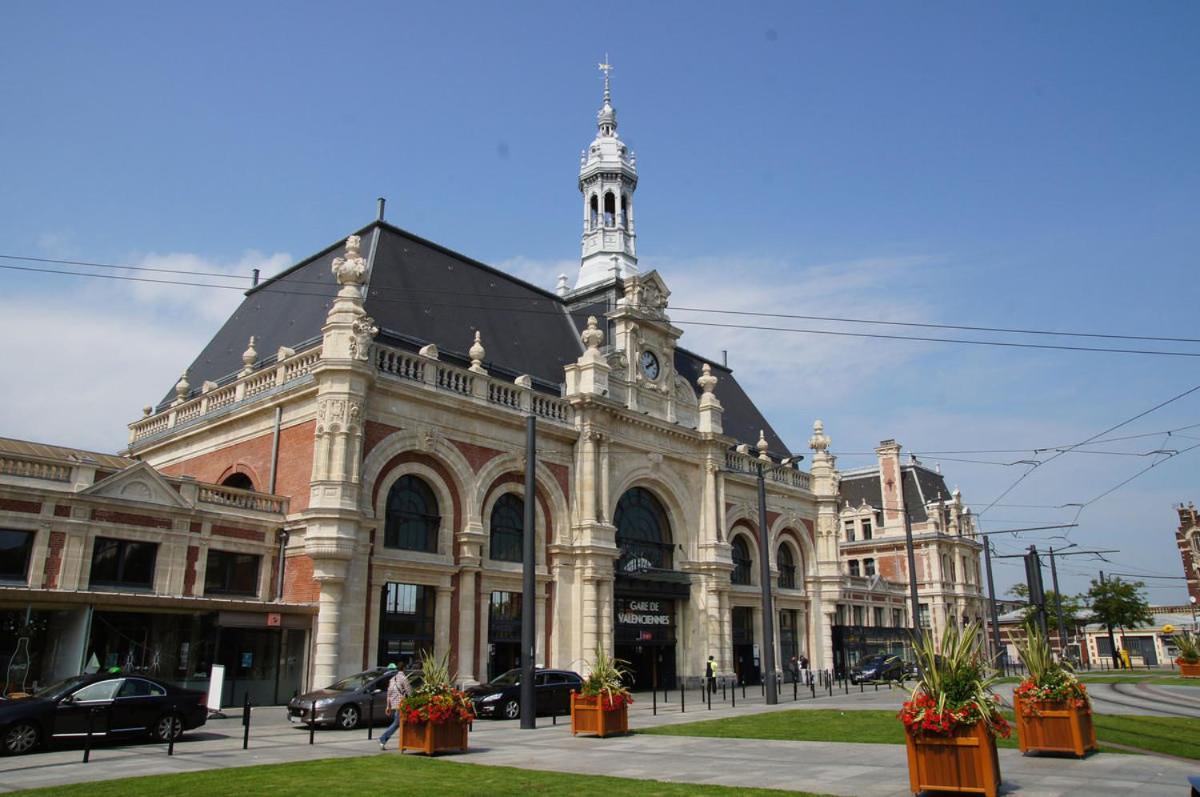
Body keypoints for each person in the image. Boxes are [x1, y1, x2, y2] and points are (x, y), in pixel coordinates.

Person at [378, 662, 412, 750]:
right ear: (404, 668)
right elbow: (409, 692)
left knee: (401, 723)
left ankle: (403, 743)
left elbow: (389, 694)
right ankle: (383, 738)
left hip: (395, 704)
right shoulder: (404, 678)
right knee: (397, 723)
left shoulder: (392, 679)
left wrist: (388, 707)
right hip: (402, 704)